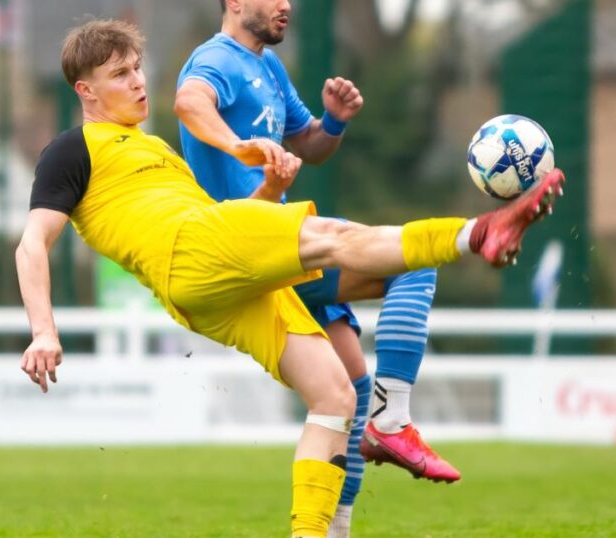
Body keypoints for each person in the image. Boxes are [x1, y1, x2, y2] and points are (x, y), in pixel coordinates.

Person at [16, 19, 564, 538]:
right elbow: (32, 244)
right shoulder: (71, 150)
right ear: (86, 92)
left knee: (334, 397)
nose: (138, 82)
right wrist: (44, 330)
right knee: (338, 236)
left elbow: (242, 230)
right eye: (120, 75)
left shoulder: (155, 148)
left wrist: (271, 191)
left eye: (137, 68)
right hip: (186, 249)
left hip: (210, 281)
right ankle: (479, 233)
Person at [174, 2, 457, 533]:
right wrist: (239, 146)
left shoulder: (270, 68)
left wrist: (333, 122)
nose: (287, 5)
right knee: (415, 260)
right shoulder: (215, 59)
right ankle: (392, 419)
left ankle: (336, 525)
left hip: (279, 245)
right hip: (250, 244)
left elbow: (310, 147)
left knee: (347, 396)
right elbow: (189, 102)